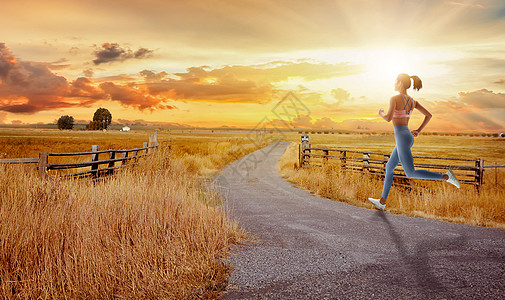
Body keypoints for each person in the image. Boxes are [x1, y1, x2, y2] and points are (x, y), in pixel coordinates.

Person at [368, 73, 460, 211]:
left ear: (400, 83)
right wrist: (418, 130)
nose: (394, 84)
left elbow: (388, 118)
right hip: (407, 136)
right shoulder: (413, 101)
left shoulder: (394, 98)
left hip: (401, 137)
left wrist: (380, 113)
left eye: (395, 81)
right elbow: (429, 115)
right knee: (389, 168)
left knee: (410, 173)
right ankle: (382, 202)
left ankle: (446, 177)